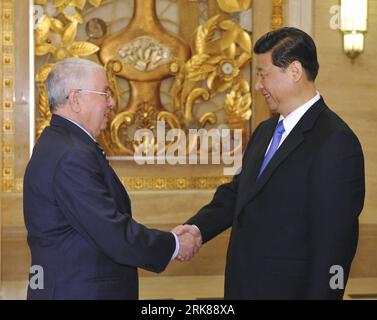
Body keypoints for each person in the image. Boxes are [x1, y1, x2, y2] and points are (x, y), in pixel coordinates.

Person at [173, 27, 365, 299]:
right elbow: (239, 193)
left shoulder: (335, 141)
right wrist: (196, 229)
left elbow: (336, 243)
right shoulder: (265, 131)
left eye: (263, 74)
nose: (257, 85)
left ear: (295, 71)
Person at [23, 58, 199, 300]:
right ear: (76, 100)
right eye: (105, 93)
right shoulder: (71, 154)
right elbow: (112, 232)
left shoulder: (59, 142)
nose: (112, 102)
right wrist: (174, 244)